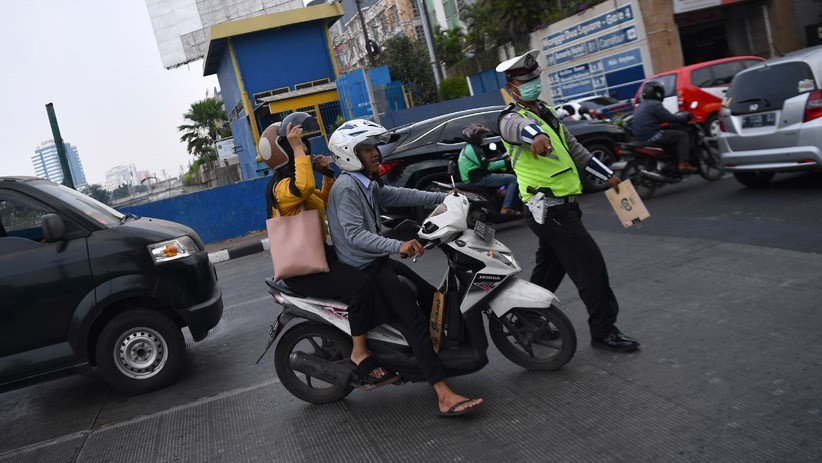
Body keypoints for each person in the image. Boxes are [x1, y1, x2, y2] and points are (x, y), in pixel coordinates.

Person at [325, 119, 484, 416]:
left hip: (378, 262)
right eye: (368, 148)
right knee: (414, 318)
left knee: (431, 297)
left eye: (374, 147)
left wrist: (446, 197)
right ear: (349, 153)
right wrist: (398, 246)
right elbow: (355, 235)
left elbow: (401, 195)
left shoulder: (367, 184)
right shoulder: (347, 188)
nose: (376, 153)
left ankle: (435, 358)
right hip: (367, 269)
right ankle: (442, 393)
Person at [495, 50, 640, 353]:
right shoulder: (512, 119)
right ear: (512, 87)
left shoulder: (546, 112)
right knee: (592, 270)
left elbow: (576, 151)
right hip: (549, 209)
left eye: (535, 78)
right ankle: (604, 332)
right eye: (525, 80)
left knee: (548, 270)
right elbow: (519, 130)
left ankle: (525, 320)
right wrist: (534, 136)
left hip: (562, 207)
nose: (533, 83)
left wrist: (608, 177)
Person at [261, 112, 396, 387]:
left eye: (304, 145)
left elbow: (322, 200)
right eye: (296, 145)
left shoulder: (294, 183)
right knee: (359, 286)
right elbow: (303, 187)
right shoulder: (280, 188)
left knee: (372, 275)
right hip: (304, 268)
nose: (306, 149)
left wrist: (326, 175)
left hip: (320, 256)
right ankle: (360, 353)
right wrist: (299, 151)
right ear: (282, 152)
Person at [632, 80, 698, 173]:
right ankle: (684, 163)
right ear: (657, 93)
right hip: (652, 135)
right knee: (683, 135)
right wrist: (684, 117)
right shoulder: (655, 104)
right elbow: (669, 117)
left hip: (640, 136)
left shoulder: (641, 105)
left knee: (669, 133)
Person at [457, 123, 521, 216]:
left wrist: (496, 159)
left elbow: (481, 162)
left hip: (472, 177)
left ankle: (501, 192)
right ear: (474, 137)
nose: (482, 138)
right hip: (479, 179)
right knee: (512, 179)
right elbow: (489, 167)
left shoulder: (467, 148)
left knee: (502, 176)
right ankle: (505, 208)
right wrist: (507, 161)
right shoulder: (475, 150)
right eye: (480, 136)